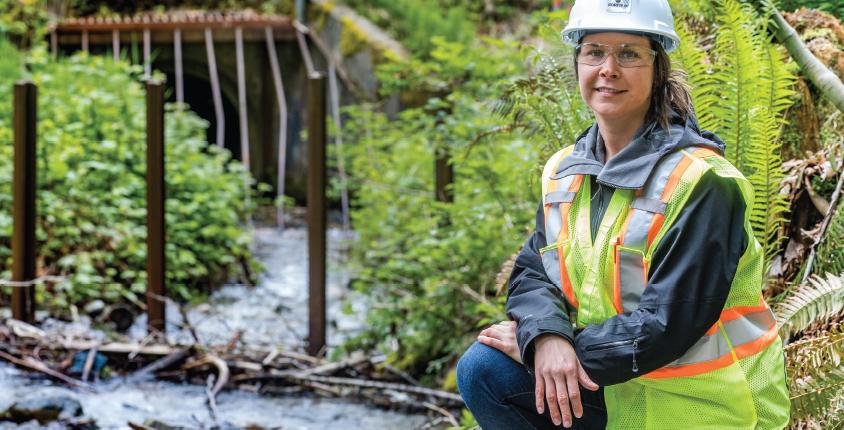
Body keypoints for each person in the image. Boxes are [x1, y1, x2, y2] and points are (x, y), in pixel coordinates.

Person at [455, 0, 791, 428]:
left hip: (706, 410)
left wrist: (567, 349)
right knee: (483, 369)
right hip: (618, 392)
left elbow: (669, 321)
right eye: (594, 51)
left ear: (658, 67)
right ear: (578, 62)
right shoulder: (565, 171)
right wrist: (544, 336)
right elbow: (532, 271)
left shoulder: (703, 182)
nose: (608, 68)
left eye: (628, 53)